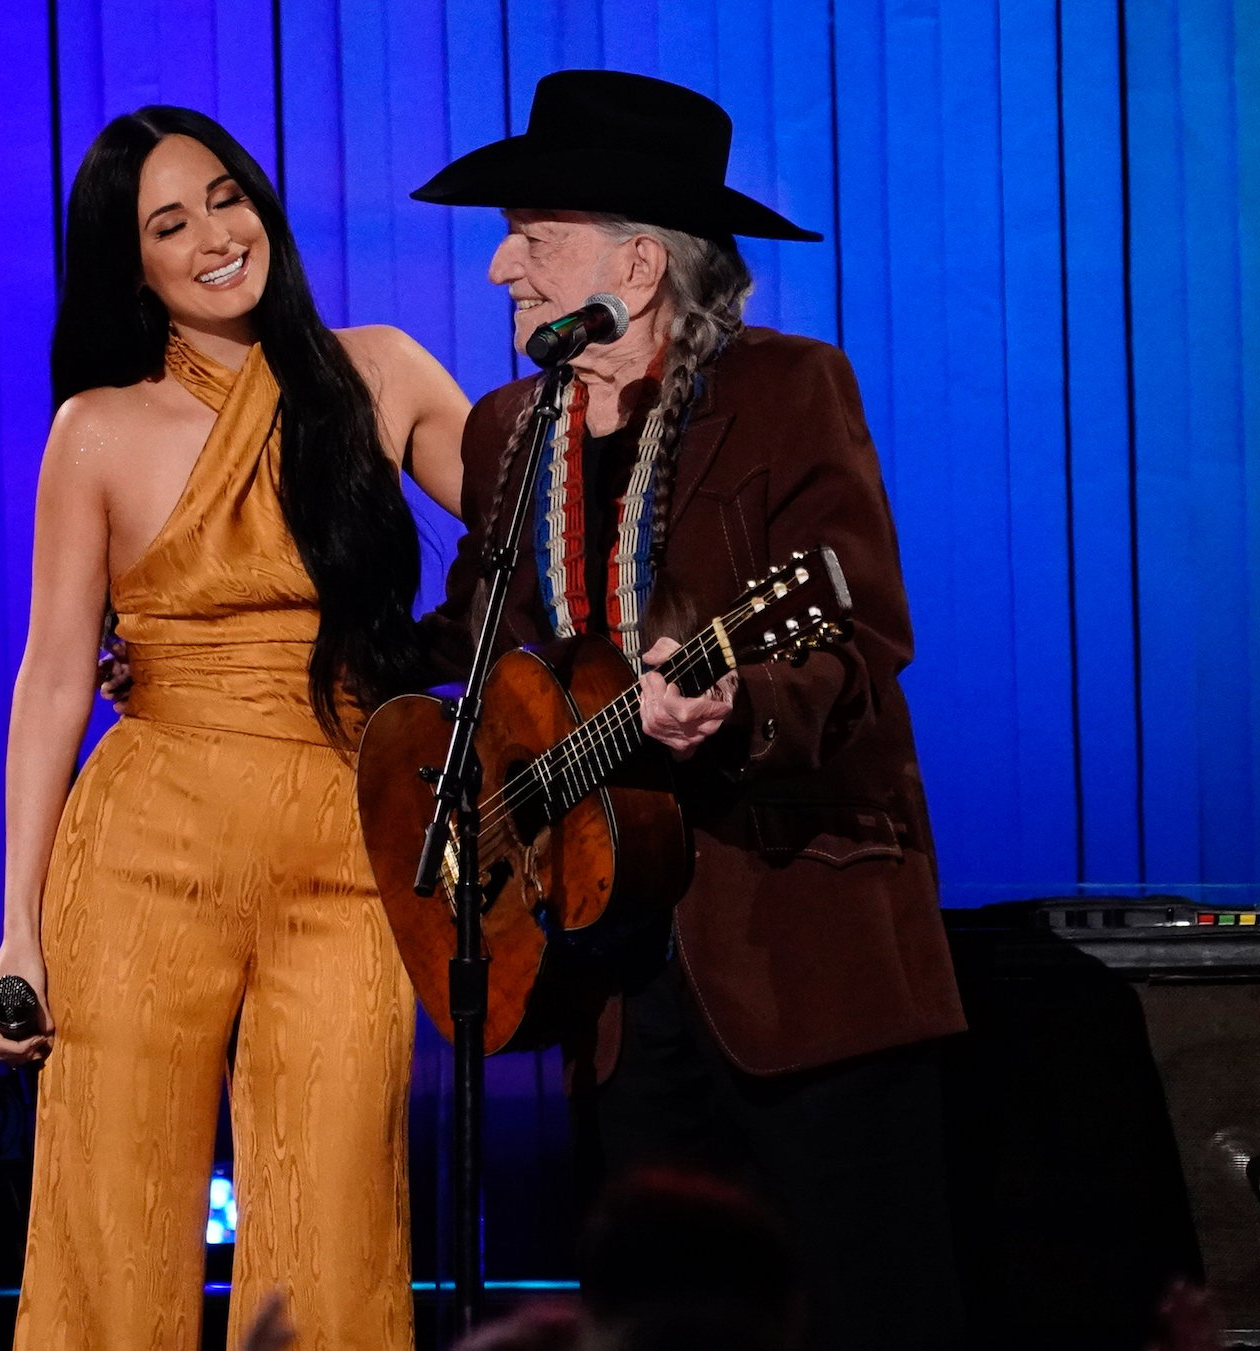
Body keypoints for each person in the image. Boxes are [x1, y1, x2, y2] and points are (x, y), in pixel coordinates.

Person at [411, 70, 968, 1350]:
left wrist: (740, 705)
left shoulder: (786, 390)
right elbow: (471, 642)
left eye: (534, 238)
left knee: (863, 1311)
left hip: (801, 942)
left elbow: (860, 626)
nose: (503, 267)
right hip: (612, 973)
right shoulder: (509, 431)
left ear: (642, 265)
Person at [0, 106, 468, 1351]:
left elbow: (536, 529)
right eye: (169, 223)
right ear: (130, 264)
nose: (213, 236)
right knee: (114, 1227)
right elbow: (50, 681)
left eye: (227, 197)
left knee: (341, 1234)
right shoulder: (97, 426)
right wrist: (17, 931)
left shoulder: (382, 372)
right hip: (142, 855)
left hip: (349, 856)